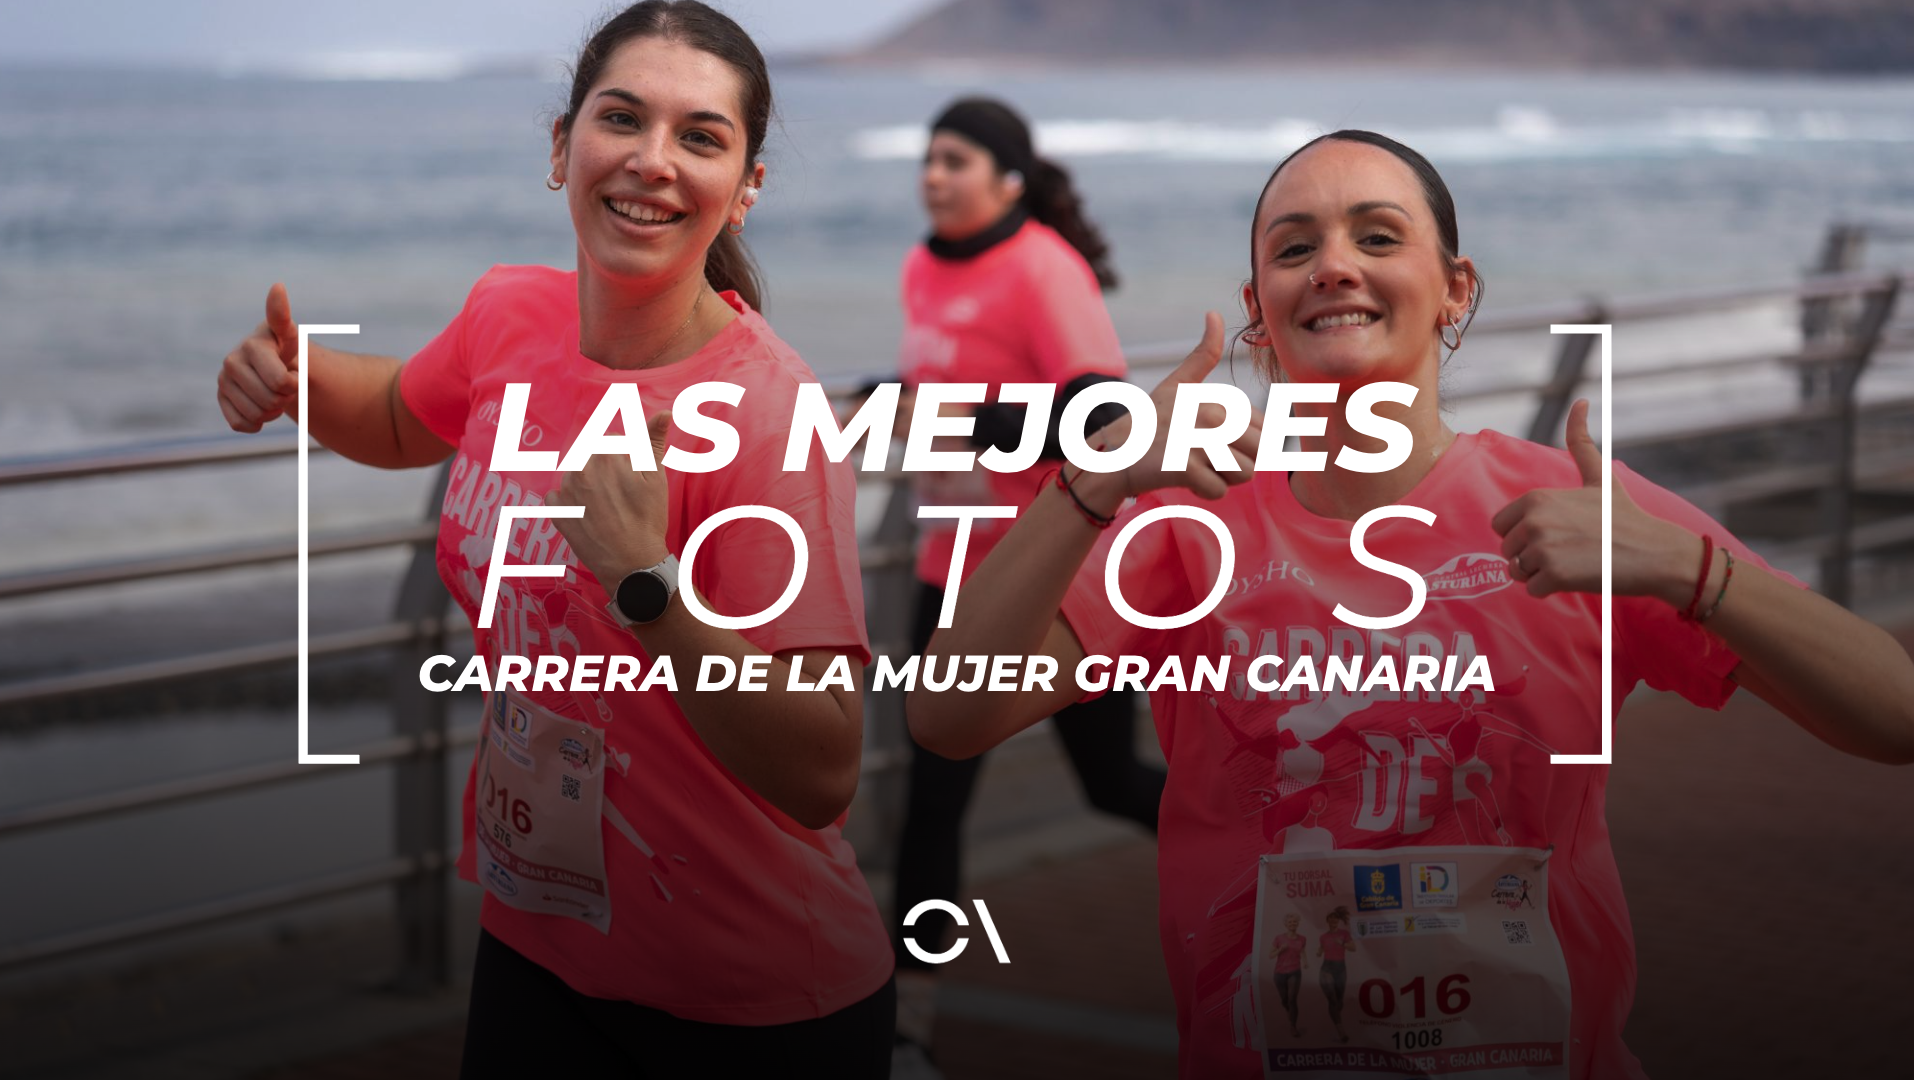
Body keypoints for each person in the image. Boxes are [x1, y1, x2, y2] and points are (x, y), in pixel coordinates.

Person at [906, 128, 1914, 1079]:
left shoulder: (1568, 508)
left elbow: (1893, 715)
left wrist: (1690, 569)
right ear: (1258, 307)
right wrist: (1094, 482)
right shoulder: (1188, 526)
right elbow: (949, 714)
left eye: (1378, 237)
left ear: (1454, 289)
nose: (1333, 266)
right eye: (1294, 248)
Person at [215, 3, 894, 1074]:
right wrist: (294, 379)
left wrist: (643, 580)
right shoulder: (509, 317)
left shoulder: (767, 412)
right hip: (537, 942)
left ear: (745, 188)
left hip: (747, 995)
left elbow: (823, 767)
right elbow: (397, 413)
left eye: (700, 136)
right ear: (560, 146)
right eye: (621, 118)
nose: (652, 160)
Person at [886, 96, 1166, 1071]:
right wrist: (895, 401)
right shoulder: (920, 265)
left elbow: (1108, 421)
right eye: (928, 158)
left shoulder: (1046, 268)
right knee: (931, 800)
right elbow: (939, 383)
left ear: (1008, 179)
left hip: (1052, 581)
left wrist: (969, 421)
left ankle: (1272, 849)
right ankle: (908, 1026)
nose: (932, 175)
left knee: (1111, 783)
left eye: (954, 160)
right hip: (948, 569)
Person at [1316, 906, 1355, 1043]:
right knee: (1332, 1000)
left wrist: (1342, 944)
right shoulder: (1323, 937)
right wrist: (1319, 952)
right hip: (1327, 969)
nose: (1333, 920)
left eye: (1335, 918)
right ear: (1327, 920)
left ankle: (1335, 1018)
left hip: (1341, 969)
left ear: (1338, 920)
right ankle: (1341, 1031)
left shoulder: (1344, 934)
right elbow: (1322, 947)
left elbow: (1353, 948)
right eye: (1331, 918)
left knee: (1339, 1001)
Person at [1269, 912, 1308, 1038]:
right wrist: (1280, 949)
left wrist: (1305, 961)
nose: (1292, 923)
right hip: (1279, 973)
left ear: (1298, 923)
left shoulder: (1302, 939)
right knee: (1285, 1000)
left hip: (1295, 972)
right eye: (1290, 922)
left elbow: (1302, 951)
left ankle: (1293, 1026)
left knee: (1292, 999)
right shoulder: (1279, 938)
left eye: (1295, 921)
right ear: (1285, 924)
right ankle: (1288, 1010)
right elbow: (1270, 955)